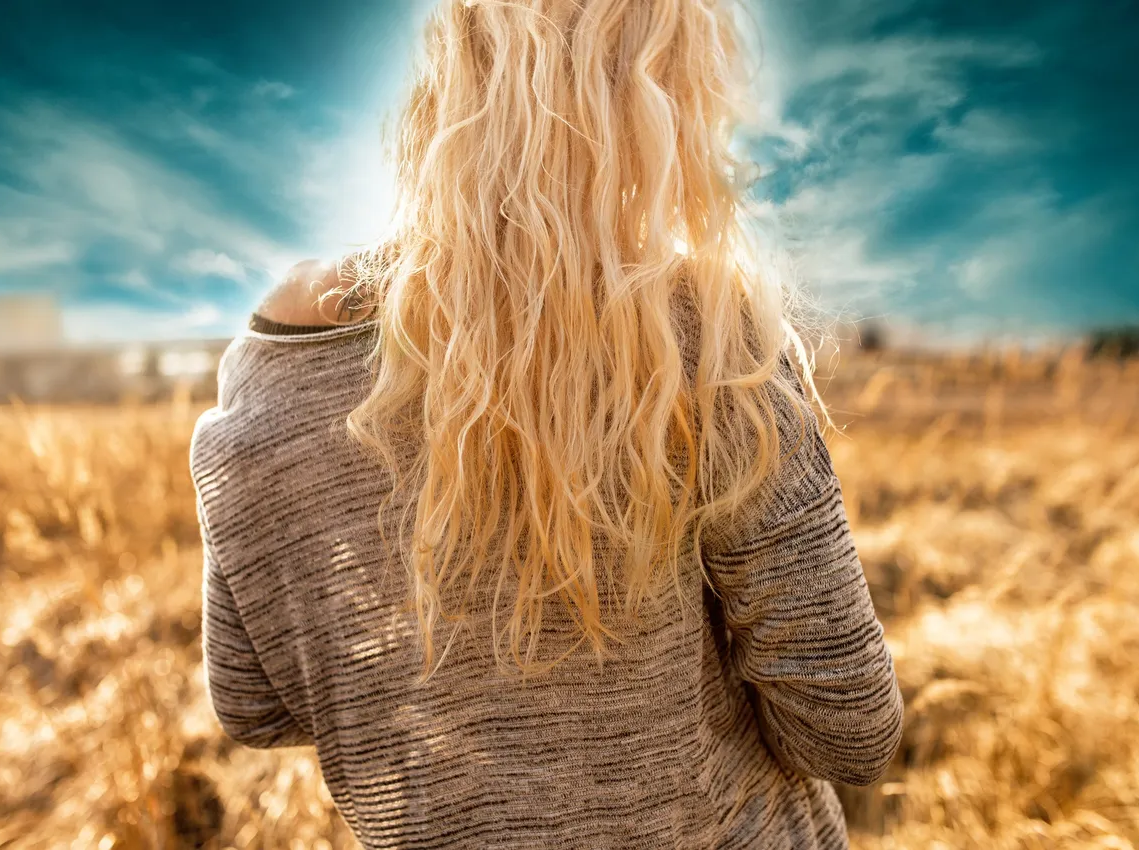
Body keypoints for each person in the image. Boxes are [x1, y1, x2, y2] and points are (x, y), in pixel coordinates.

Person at [191, 1, 903, 847]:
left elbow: (254, 704)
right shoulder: (708, 340)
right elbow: (848, 729)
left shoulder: (281, 361)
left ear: (443, 78)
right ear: (662, 99)